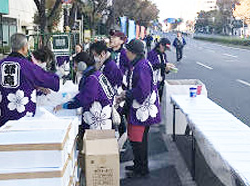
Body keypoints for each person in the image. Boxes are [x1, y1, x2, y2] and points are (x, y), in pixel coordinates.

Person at [0, 33, 60, 127]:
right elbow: (54, 82)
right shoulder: (28, 66)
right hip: (23, 119)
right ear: (24, 47)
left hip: (3, 118)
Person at [120, 39, 161, 177]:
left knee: (139, 141)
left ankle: (142, 169)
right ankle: (138, 165)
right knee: (137, 140)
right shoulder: (139, 64)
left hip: (142, 110)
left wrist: (126, 94)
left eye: (127, 50)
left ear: (133, 53)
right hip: (139, 109)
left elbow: (142, 92)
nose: (125, 52)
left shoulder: (141, 66)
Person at [54, 52, 114, 138]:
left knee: (97, 146)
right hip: (103, 116)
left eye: (75, 65)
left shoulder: (92, 78)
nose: (74, 68)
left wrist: (65, 105)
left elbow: (85, 98)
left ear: (82, 65)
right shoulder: (95, 74)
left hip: (99, 119)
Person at [147, 37, 175, 101]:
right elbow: (152, 66)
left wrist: (168, 69)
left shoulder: (163, 55)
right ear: (160, 45)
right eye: (165, 48)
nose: (165, 50)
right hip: (152, 81)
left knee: (159, 99)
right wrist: (164, 65)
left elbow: (164, 67)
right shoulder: (152, 53)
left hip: (161, 81)